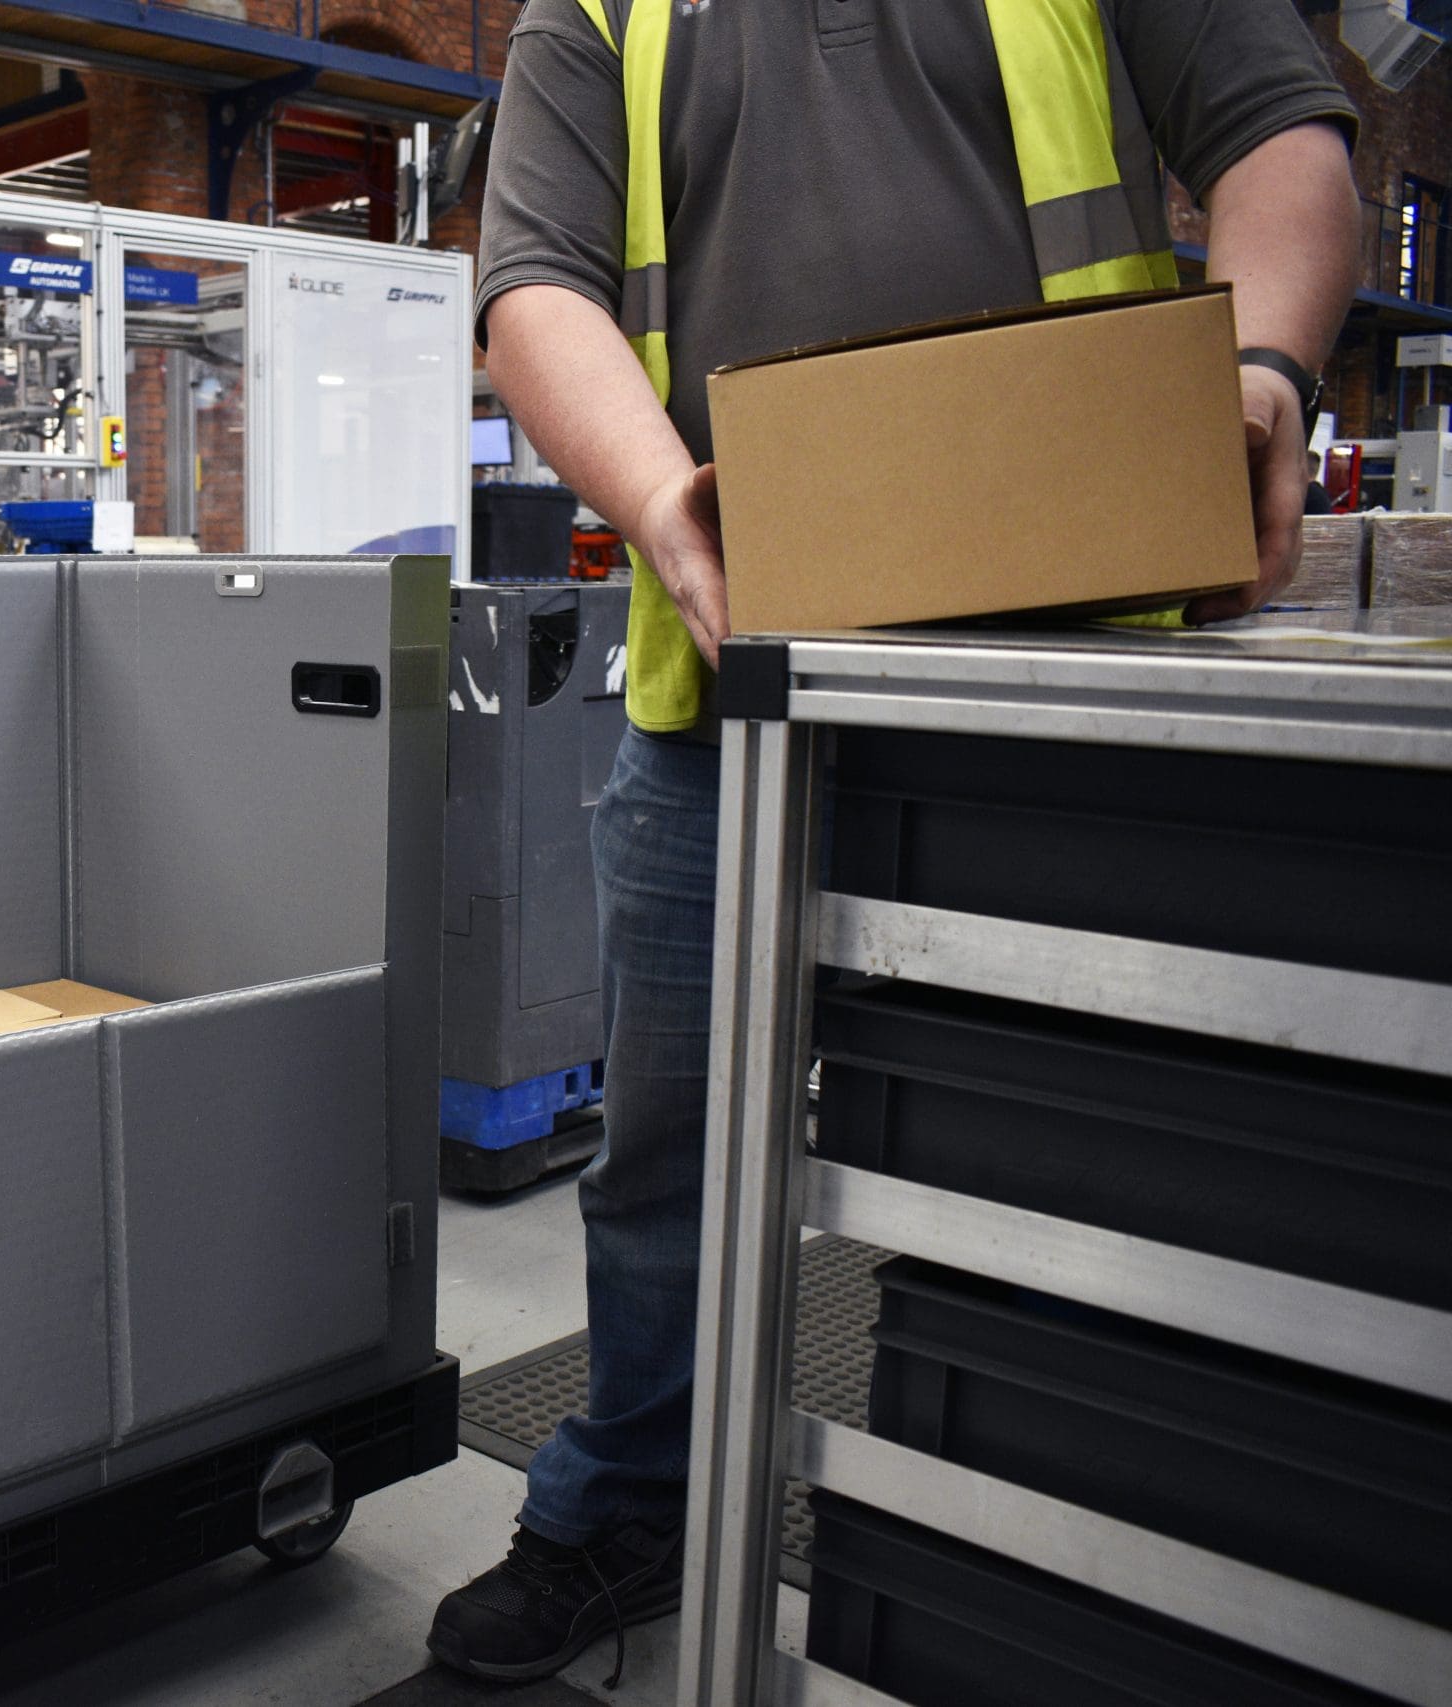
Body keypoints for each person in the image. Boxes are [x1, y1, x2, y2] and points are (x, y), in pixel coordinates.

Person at [430, 0, 1362, 1682]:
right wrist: (666, 506)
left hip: (1059, 683)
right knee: (667, 1162)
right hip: (728, 694)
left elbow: (1283, 136)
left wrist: (1264, 376)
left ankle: (1064, 1528)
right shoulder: (599, 8)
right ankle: (634, 1502)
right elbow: (532, 286)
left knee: (1079, 1144)